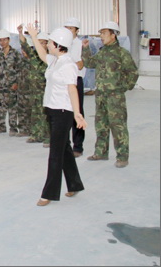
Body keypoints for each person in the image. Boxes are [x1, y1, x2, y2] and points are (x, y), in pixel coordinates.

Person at [26, 24, 86, 207]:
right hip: (52, 109)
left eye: (50, 42)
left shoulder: (68, 65)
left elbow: (72, 90)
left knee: (55, 153)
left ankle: (49, 193)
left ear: (58, 45)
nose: (48, 44)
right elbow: (41, 55)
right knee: (64, 148)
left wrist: (77, 114)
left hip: (63, 112)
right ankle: (74, 184)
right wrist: (34, 37)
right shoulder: (55, 60)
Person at [82, 21, 139, 168]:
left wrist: (123, 87)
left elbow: (133, 72)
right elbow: (89, 63)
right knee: (101, 125)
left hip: (115, 97)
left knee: (118, 126)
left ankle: (122, 156)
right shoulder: (102, 52)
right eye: (101, 33)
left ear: (113, 35)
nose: (101, 36)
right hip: (100, 95)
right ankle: (101, 152)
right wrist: (86, 49)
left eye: (104, 33)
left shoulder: (121, 53)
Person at [18, 27, 51, 147]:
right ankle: (36, 134)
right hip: (34, 90)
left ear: (47, 44)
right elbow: (24, 44)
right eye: (39, 42)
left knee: (46, 114)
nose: (41, 45)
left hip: (45, 91)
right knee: (35, 113)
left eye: (43, 43)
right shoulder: (33, 55)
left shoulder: (50, 59)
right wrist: (20, 32)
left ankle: (48, 137)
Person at [0, 29, 22, 135]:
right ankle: (1, 127)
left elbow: (20, 69)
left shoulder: (15, 53)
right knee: (0, 106)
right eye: (0, 40)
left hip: (11, 85)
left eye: (4, 40)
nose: (2, 42)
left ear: (9, 40)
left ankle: (13, 128)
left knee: (12, 107)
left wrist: (16, 83)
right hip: (0, 84)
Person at [64, 18, 87, 157]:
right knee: (63, 112)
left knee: (77, 113)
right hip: (63, 81)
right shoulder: (62, 43)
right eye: (66, 28)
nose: (68, 31)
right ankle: (65, 144)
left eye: (71, 28)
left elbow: (81, 64)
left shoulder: (80, 44)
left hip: (75, 80)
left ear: (77, 31)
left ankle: (78, 146)